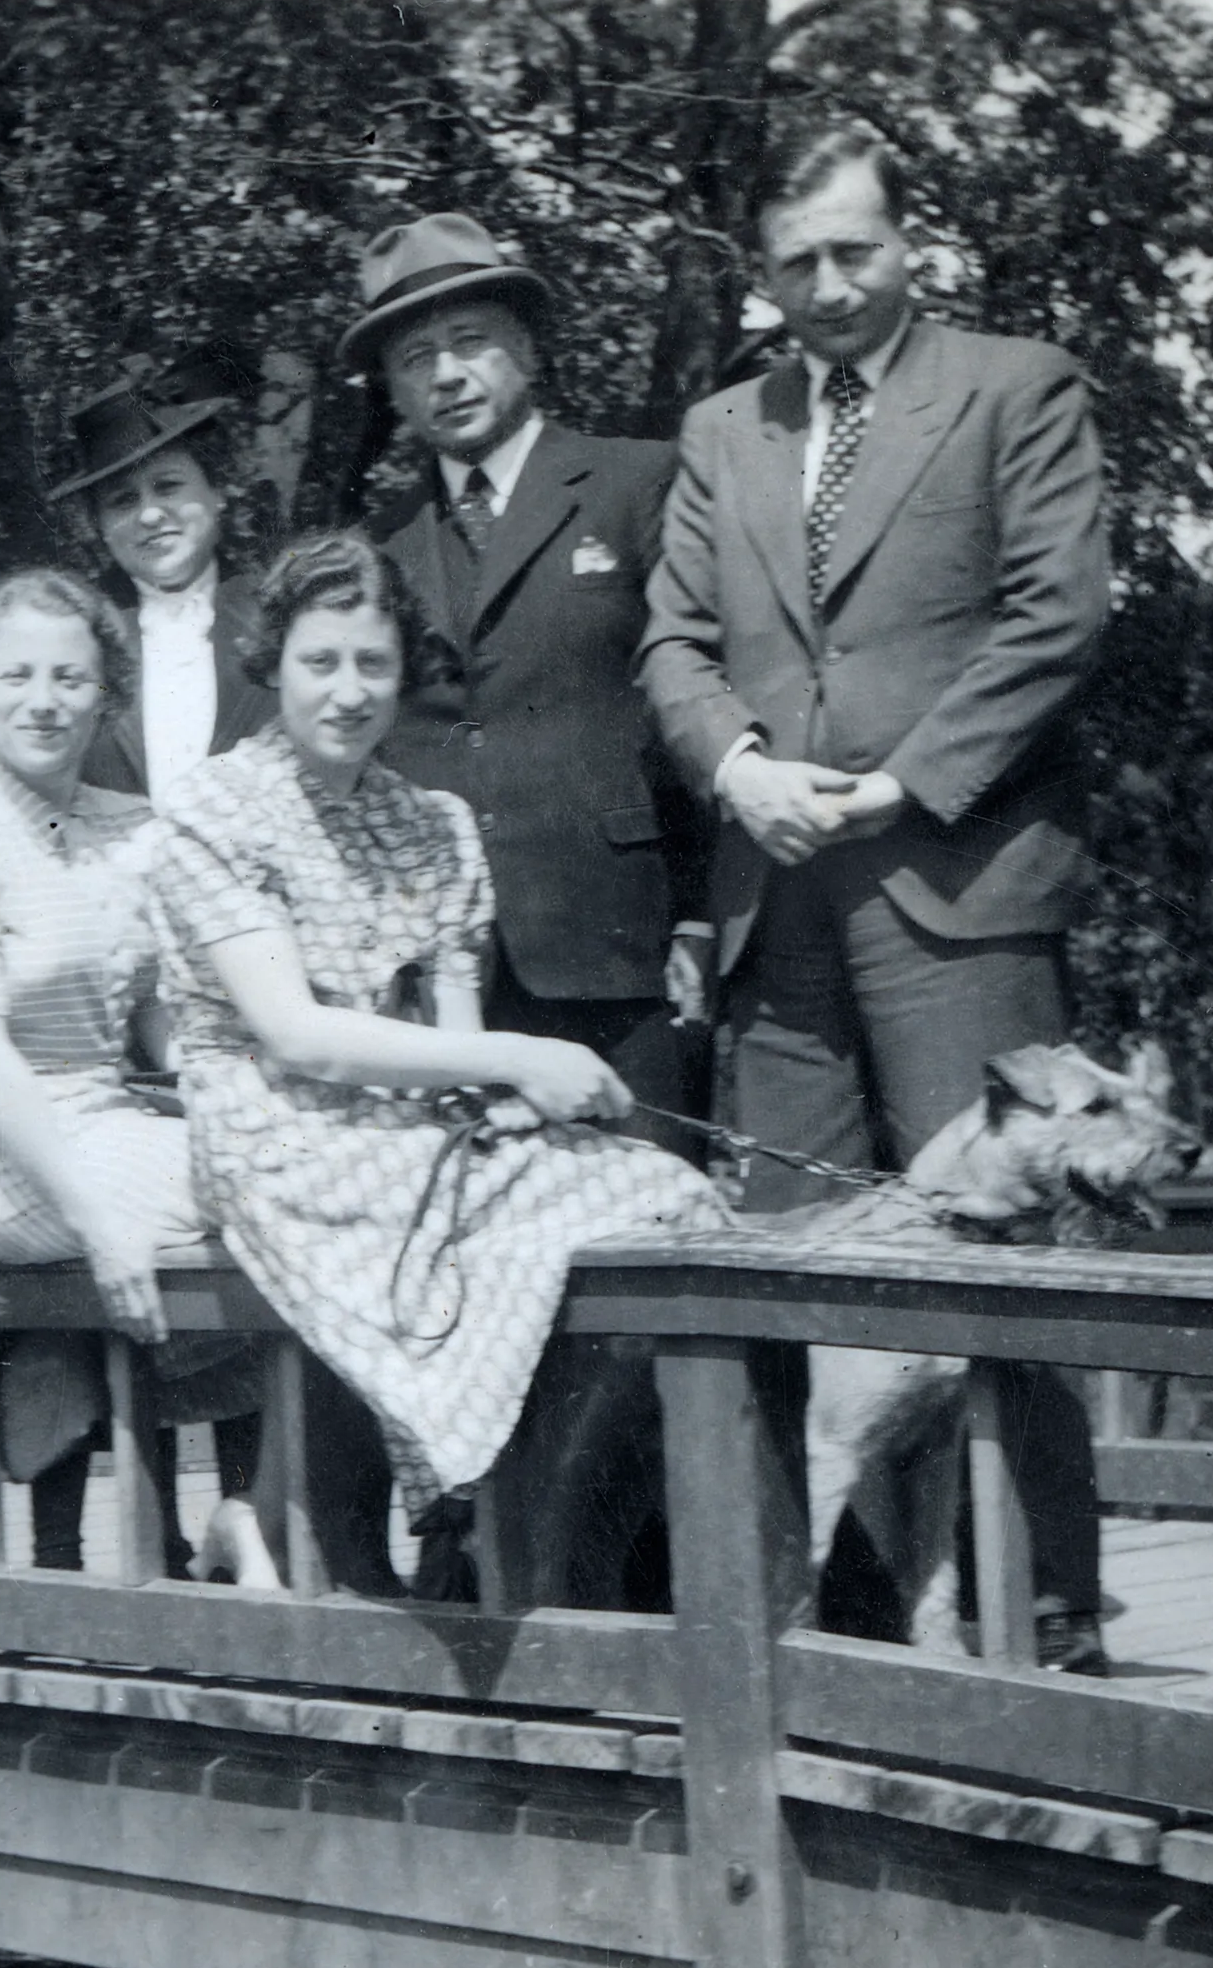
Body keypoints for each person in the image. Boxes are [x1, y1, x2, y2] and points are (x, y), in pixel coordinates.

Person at [636, 119, 1119, 1670]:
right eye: (798, 265)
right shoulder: (724, 431)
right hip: (780, 909)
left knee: (1008, 1267)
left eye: (857, 250)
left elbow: (1061, 613)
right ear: (758, 275)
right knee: (784, 1266)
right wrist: (740, 772)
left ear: (911, 243)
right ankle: (799, 1624)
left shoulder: (1014, 384)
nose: (831, 287)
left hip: (957, 890)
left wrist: (910, 780)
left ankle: (1050, 1624)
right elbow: (675, 646)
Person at [141, 530, 730, 1611]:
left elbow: (452, 1035)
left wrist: (502, 1102)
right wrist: (519, 1053)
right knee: (471, 1240)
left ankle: (530, 1533)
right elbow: (297, 1035)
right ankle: (466, 1521)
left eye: (374, 663)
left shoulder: (435, 824)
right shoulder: (212, 810)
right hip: (278, 1130)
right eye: (322, 661)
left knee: (665, 1192)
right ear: (274, 662)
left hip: (412, 1127)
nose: (350, 690)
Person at [0, 566, 277, 1587]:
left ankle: (242, 1513)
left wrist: (205, 1077)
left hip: (114, 1120)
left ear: (106, 691)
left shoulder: (134, 826)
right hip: (5, 1150)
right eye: (16, 674)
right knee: (283, 1191)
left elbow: (154, 1006)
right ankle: (235, 1520)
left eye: (70, 677)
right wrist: (95, 1216)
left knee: (289, 1158)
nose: (44, 699)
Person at [350, 214, 711, 1125]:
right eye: (416, 357)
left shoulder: (639, 484)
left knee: (650, 1230)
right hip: (448, 978)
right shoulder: (375, 548)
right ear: (393, 389)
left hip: (621, 950)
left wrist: (703, 917)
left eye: (470, 342)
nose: (446, 374)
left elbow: (699, 697)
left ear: (527, 349)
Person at [47, 368, 277, 811]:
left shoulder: (278, 615)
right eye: (123, 500)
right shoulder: (72, 639)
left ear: (217, 491)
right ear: (101, 527)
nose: (150, 515)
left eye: (168, 486)